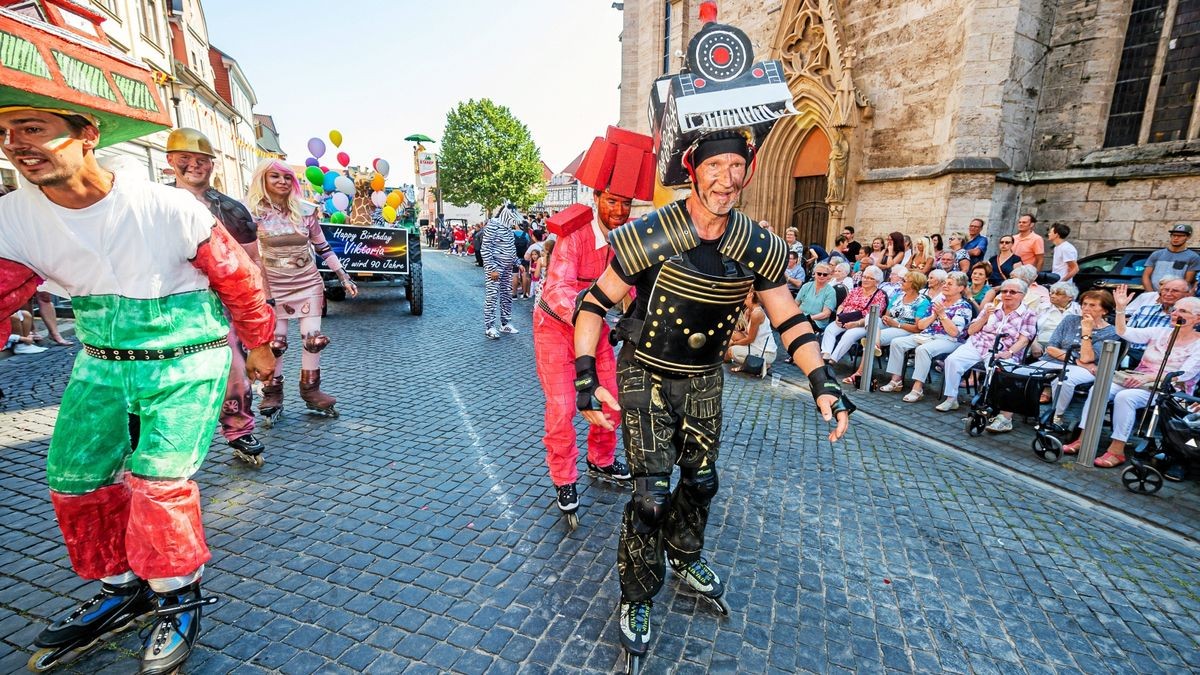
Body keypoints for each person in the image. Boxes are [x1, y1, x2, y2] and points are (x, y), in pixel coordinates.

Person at [0, 104, 276, 674]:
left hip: (184, 360)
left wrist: (258, 343)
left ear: (87, 136)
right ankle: (119, 585)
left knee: (158, 479)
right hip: (99, 362)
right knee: (73, 477)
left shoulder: (168, 207)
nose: (15, 144)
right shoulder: (13, 217)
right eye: (4, 133)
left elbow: (238, 278)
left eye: (32, 128)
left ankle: (177, 596)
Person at [573, 130, 852, 662]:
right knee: (651, 497)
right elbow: (592, 305)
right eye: (714, 166)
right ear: (691, 168)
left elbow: (788, 317)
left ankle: (684, 553)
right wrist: (586, 377)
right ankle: (637, 594)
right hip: (646, 371)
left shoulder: (758, 244)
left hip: (703, 375)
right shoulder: (650, 234)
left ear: (749, 170)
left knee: (701, 480)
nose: (726, 178)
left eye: (736, 166)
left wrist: (823, 382)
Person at [534, 126, 649, 524]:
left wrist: (643, 318)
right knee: (563, 407)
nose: (620, 211)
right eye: (613, 201)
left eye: (627, 203)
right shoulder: (573, 234)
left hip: (595, 327)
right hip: (555, 328)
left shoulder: (627, 239)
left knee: (612, 398)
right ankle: (564, 477)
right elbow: (560, 289)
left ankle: (601, 460)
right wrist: (593, 310)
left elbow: (635, 289)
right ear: (598, 197)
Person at [166, 128, 267, 466]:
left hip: (222, 305)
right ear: (170, 161)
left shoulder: (233, 210)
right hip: (168, 302)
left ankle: (239, 429)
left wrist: (263, 306)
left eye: (201, 160)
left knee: (235, 369)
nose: (194, 166)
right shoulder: (154, 202)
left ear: (212, 165)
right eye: (185, 159)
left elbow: (252, 262)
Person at [246, 159, 356, 423]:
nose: (282, 182)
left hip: (307, 282)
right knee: (276, 344)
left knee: (313, 340)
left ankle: (311, 390)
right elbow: (249, 255)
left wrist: (343, 276)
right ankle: (272, 393)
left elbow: (323, 248)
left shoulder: (305, 211)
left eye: (286, 177)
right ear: (263, 179)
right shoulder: (252, 214)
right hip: (273, 285)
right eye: (275, 177)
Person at [1064, 287, 1200, 470]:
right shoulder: (1160, 332)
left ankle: (1117, 449)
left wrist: (1148, 378)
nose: (1176, 313)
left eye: (1183, 311)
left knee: (1125, 397)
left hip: (1168, 389)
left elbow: (1185, 374)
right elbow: (1124, 332)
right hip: (1136, 380)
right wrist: (1121, 309)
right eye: (1175, 309)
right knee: (1099, 387)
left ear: (1197, 318)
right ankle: (1084, 438)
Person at [991, 290, 1119, 431]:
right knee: (1019, 372)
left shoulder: (1111, 332)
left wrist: (1086, 332)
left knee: (1064, 379)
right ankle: (1005, 417)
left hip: (1087, 369)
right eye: (1084, 304)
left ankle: (1056, 417)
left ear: (1105, 310)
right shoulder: (1070, 320)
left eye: (1093, 305)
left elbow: (1088, 357)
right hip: (1064, 362)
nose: (1086, 308)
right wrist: (1077, 361)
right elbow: (1051, 348)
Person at [937, 278, 1037, 413]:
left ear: (1022, 295)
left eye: (1012, 292)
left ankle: (989, 403)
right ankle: (951, 398)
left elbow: (1024, 340)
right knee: (952, 360)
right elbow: (971, 331)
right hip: (978, 343)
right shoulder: (990, 307)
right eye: (1004, 291)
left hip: (1005, 349)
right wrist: (985, 317)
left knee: (996, 368)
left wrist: (1010, 352)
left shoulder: (1028, 314)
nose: (1007, 294)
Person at [879, 272, 974, 399]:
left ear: (961, 288)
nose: (945, 286)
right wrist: (934, 315)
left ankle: (917, 389)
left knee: (923, 350)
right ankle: (896, 380)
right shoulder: (938, 302)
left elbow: (954, 332)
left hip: (950, 340)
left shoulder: (963, 306)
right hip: (928, 335)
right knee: (897, 343)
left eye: (950, 284)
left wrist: (942, 316)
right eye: (945, 283)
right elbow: (921, 325)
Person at [841, 270, 931, 384]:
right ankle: (876, 344)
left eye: (904, 280)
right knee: (871, 317)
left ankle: (860, 372)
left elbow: (918, 328)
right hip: (890, 324)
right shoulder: (898, 296)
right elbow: (887, 314)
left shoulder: (922, 302)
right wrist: (885, 319)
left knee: (871, 339)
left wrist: (896, 324)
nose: (901, 282)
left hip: (905, 329)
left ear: (914, 285)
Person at [820, 265, 888, 363]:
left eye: (870, 278)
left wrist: (856, 324)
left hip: (862, 324)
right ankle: (826, 355)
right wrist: (838, 317)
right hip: (845, 318)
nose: (865, 280)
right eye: (864, 277)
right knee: (830, 329)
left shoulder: (880, 296)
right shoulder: (856, 290)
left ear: (877, 282)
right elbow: (842, 306)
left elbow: (873, 317)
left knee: (849, 335)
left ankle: (833, 360)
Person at [482, 206, 520, 339]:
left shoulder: (508, 228)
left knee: (507, 295)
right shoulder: (492, 226)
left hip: (507, 267)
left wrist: (517, 263)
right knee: (492, 296)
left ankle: (505, 323)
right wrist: (492, 268)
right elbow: (485, 248)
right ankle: (489, 326)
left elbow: (511, 247)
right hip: (495, 269)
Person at [726, 290, 777, 373]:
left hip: (766, 352)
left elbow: (750, 339)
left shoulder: (757, 314)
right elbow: (746, 333)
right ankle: (728, 359)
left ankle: (762, 364)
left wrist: (734, 343)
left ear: (751, 295)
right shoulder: (748, 310)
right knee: (732, 337)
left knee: (731, 350)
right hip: (754, 345)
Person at [1142, 223, 1200, 291]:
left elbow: (1187, 281)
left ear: (1188, 237)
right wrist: (1150, 293)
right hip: (1153, 293)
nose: (1176, 238)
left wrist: (1172, 294)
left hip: (1175, 296)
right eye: (1174, 235)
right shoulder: (1157, 254)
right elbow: (1146, 276)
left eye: (1180, 236)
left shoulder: (1193, 257)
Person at [1032, 281, 1081, 357]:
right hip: (1041, 344)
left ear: (1070, 297)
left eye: (1058, 294)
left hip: (1067, 348)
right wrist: (1034, 344)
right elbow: (1030, 328)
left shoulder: (1078, 310)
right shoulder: (1042, 308)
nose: (1052, 296)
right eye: (1052, 293)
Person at [795, 261, 838, 331]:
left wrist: (809, 318)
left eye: (825, 274)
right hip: (800, 317)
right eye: (819, 273)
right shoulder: (806, 286)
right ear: (814, 274)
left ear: (828, 276)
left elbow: (826, 314)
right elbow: (796, 304)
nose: (821, 276)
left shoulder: (831, 291)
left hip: (817, 322)